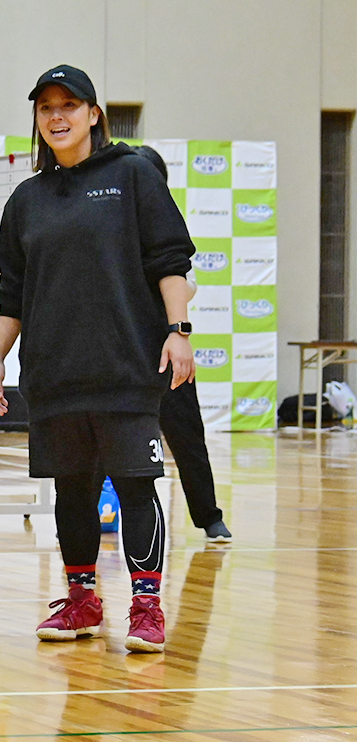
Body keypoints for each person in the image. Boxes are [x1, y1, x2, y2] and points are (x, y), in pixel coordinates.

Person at [0, 66, 196, 654]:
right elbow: (14, 292)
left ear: (94, 114)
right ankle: (82, 601)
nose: (57, 117)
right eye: (46, 107)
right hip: (54, 372)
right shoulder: (26, 199)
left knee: (134, 485)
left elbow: (171, 260)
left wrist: (178, 330)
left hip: (127, 365)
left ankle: (147, 607)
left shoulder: (131, 175)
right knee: (73, 490)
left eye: (69, 105)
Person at [133, 145, 231, 544]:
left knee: (187, 433)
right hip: (118, 347)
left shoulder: (166, 226)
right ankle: (93, 518)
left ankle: (209, 517)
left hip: (165, 348)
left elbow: (187, 284)